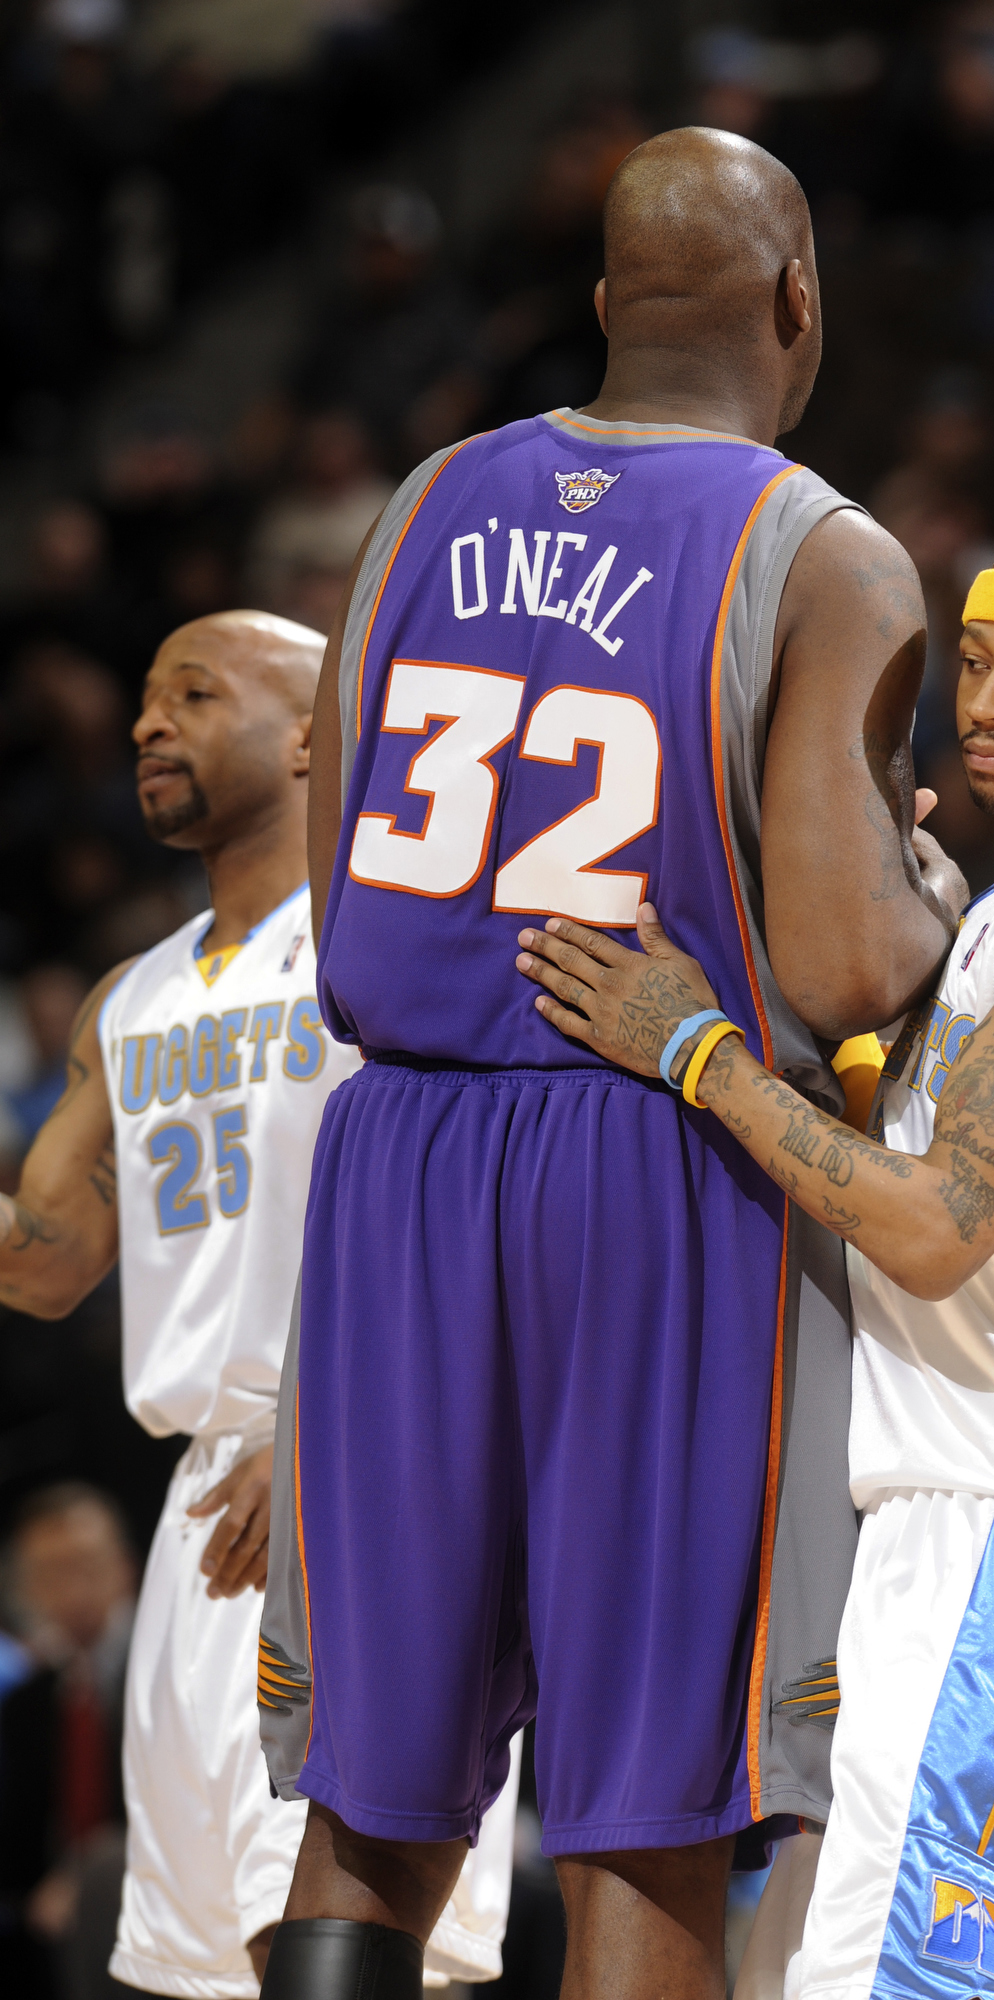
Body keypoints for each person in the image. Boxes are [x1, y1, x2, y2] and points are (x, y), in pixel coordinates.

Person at [257, 126, 962, 2000]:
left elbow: (332, 901)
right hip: (653, 1160)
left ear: (597, 308)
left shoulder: (416, 503)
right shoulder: (823, 547)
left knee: (372, 1806)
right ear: (797, 302)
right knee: (642, 1814)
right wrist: (933, 883)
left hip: (396, 1152)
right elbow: (832, 960)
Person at [514, 519, 994, 2000]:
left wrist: (696, 1050)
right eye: (974, 662)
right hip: (959, 1519)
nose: (987, 702)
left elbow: (925, 1229)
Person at [0, 611, 517, 1998]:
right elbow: (44, 1260)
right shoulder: (133, 996)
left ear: (311, 732)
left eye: (194, 692)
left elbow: (482, 1213)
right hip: (200, 1504)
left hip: (372, 1462)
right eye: (145, 697)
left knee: (352, 1949)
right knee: (206, 1968)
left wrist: (323, 1422)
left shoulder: (403, 944)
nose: (145, 724)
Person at [0, 1484, 136, 2000]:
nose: (72, 1590)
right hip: (52, 1923)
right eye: (51, 1574)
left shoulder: (168, 1671)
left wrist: (82, 1881)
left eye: (86, 1566)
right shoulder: (28, 1702)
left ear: (124, 1567)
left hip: (149, 1885)